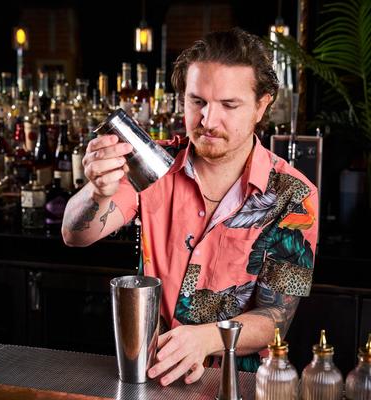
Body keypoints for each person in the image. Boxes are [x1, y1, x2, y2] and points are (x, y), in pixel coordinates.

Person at [62, 27, 318, 387]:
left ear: (262, 106)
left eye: (229, 105)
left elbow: (276, 317)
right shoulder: (154, 164)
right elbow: (75, 234)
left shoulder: (295, 195)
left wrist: (207, 338)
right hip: (149, 377)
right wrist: (98, 192)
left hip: (236, 386)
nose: (208, 121)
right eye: (197, 101)